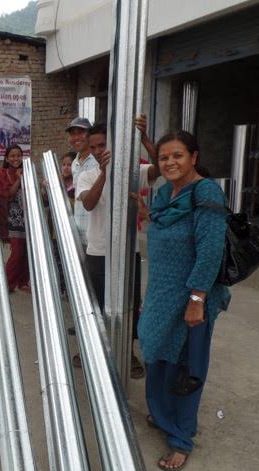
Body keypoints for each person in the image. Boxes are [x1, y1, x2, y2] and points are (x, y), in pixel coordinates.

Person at [134, 131, 229, 471]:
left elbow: (210, 250)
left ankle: (180, 437)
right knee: (156, 355)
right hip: (160, 294)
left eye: (177, 155)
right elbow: (164, 222)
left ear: (193, 156)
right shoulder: (164, 193)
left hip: (191, 297)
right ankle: (162, 414)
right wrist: (147, 213)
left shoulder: (206, 193)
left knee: (186, 367)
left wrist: (196, 299)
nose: (170, 162)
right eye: (163, 158)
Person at [73, 121, 159, 376]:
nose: (98, 151)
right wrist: (103, 174)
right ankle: (91, 348)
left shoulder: (132, 172)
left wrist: (144, 138)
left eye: (103, 145)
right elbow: (89, 204)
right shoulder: (87, 175)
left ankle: (126, 351)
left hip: (128, 251)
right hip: (98, 251)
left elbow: (159, 169)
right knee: (96, 304)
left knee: (129, 303)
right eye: (93, 147)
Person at [0, 144, 30, 293]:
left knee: (27, 253)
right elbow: (7, 195)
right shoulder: (2, 174)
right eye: (13, 156)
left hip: (27, 218)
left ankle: (22, 282)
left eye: (19, 156)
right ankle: (6, 284)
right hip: (11, 219)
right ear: (7, 158)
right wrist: (19, 179)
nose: (16, 159)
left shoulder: (27, 171)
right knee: (17, 253)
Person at [65, 117, 96, 245]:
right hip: (80, 232)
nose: (77, 137)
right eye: (73, 134)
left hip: (96, 234)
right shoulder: (74, 163)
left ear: (90, 135)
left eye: (81, 132)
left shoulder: (98, 160)